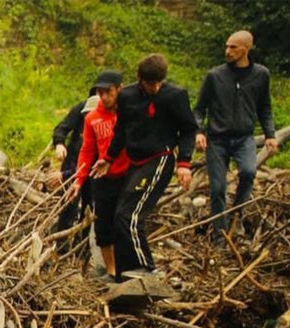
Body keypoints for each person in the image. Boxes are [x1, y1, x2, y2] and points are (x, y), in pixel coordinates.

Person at [98, 54, 197, 280]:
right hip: (136, 160)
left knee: (129, 214)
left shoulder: (175, 96)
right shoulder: (127, 97)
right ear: (140, 79)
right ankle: (124, 272)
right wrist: (109, 158)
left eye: (158, 82)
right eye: (150, 83)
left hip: (160, 158)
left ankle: (146, 268)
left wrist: (184, 164)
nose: (155, 87)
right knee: (119, 215)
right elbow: (121, 130)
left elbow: (189, 130)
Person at [193, 30, 279, 238]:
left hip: (244, 138)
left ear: (246, 48)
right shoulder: (215, 76)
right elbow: (199, 109)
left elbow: (264, 108)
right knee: (217, 189)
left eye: (233, 47)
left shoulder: (261, 75)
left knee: (249, 172)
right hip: (217, 139)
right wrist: (199, 131)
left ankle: (236, 216)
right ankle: (219, 237)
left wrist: (270, 135)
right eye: (226, 46)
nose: (228, 51)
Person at [76, 71, 128, 281]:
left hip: (128, 174)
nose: (104, 96)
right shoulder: (92, 118)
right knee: (103, 228)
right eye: (100, 92)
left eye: (108, 92)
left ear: (119, 89)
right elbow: (87, 150)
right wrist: (79, 180)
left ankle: (128, 269)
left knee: (124, 222)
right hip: (103, 177)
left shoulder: (128, 112)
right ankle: (112, 272)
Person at [50, 87, 97, 232]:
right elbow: (61, 128)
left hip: (93, 170)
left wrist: (65, 174)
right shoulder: (82, 109)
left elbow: (93, 162)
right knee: (68, 205)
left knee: (91, 205)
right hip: (73, 160)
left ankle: (84, 246)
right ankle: (62, 245)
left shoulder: (109, 124)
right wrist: (59, 143)